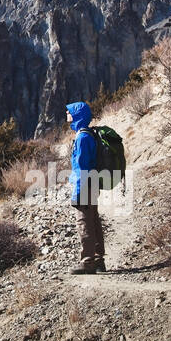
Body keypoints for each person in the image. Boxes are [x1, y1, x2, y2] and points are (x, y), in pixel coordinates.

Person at [66, 101, 106, 274]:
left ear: (77, 115)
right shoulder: (87, 134)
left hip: (85, 184)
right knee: (94, 220)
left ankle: (88, 261)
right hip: (92, 183)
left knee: (83, 222)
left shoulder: (82, 137)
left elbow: (82, 167)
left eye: (69, 112)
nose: (66, 114)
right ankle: (98, 260)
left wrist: (78, 191)